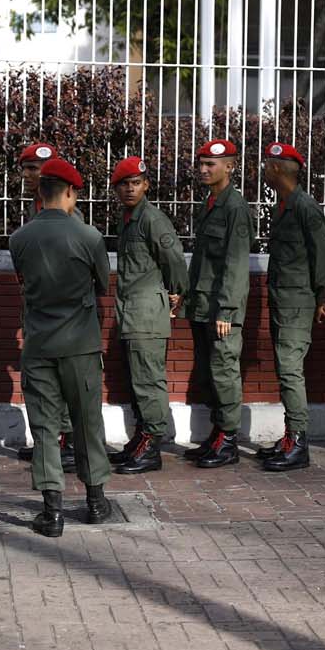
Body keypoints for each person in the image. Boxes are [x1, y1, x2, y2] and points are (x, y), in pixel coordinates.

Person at [8, 157, 112, 536]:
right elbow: (101, 284)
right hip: (80, 346)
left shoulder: (19, 239)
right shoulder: (89, 237)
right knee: (87, 425)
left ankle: (52, 513)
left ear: (40, 190)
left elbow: (24, 284)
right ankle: (96, 502)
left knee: (45, 429)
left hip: (38, 346)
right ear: (69, 191)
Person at [106, 155, 188, 474]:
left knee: (148, 380)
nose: (130, 189)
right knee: (136, 380)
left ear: (146, 185)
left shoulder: (152, 219)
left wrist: (177, 291)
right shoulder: (127, 219)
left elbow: (174, 259)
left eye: (136, 183)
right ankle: (141, 437)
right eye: (124, 184)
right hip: (131, 313)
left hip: (147, 314)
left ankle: (151, 445)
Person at [257, 143, 325, 473]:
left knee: (290, 372)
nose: (263, 170)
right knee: (285, 370)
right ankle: (290, 436)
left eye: (267, 165)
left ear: (278, 170)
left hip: (298, 303)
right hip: (283, 300)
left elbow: (323, 258)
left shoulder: (304, 207)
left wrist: (319, 298)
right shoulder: (284, 205)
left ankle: (299, 443)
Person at [182, 139, 252, 468]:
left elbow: (235, 264)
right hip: (202, 304)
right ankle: (217, 434)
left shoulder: (234, 207)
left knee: (224, 371)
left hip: (221, 309)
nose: (204, 169)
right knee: (210, 372)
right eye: (202, 163)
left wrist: (227, 310)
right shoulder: (210, 203)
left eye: (211, 164)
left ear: (230, 167)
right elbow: (203, 260)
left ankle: (229, 439)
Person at [15, 141, 78, 470]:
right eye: (26, 169)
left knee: (59, 375)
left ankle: (66, 440)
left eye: (35, 170)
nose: (29, 175)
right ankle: (49, 440)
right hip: (38, 310)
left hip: (59, 314)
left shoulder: (66, 213)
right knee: (42, 380)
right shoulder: (35, 207)